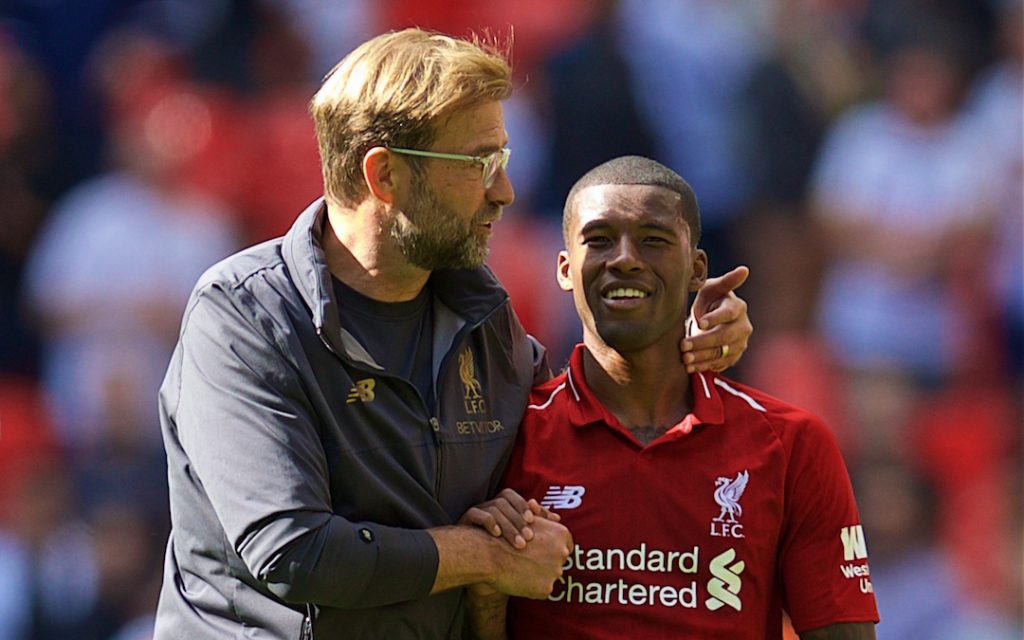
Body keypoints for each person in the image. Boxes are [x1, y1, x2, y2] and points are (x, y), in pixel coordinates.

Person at [153, 30, 752, 638]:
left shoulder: (484, 314)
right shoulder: (242, 318)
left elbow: (588, 433)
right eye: (478, 164)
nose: (504, 192)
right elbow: (294, 551)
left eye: (505, 160)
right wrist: (483, 554)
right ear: (384, 176)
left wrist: (684, 346)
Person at [475, 156, 878, 639]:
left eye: (654, 239)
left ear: (697, 268)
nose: (625, 258)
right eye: (599, 240)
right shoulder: (505, 434)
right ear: (564, 269)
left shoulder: (791, 443)